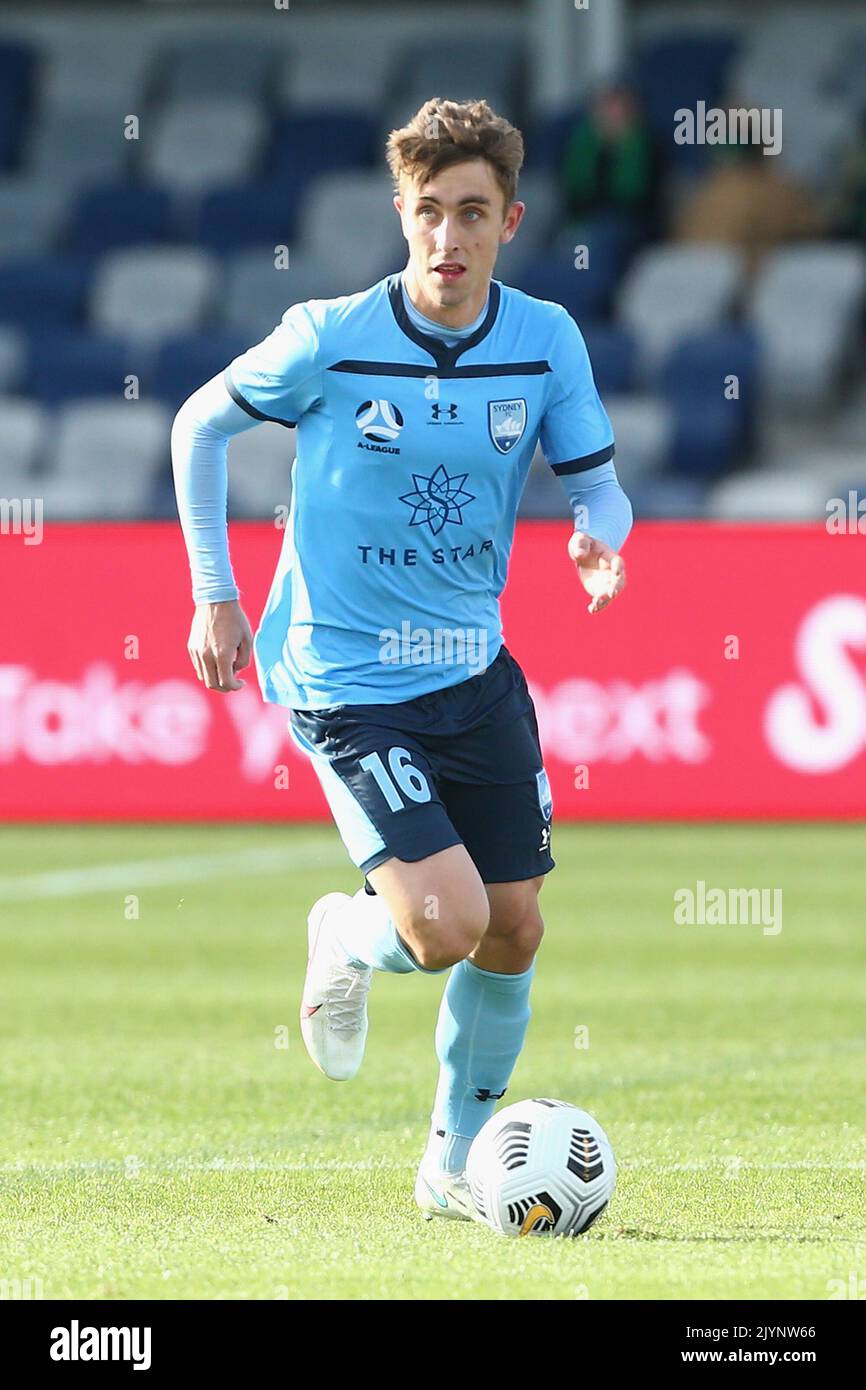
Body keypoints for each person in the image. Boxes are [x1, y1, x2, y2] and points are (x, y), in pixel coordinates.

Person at [171, 96, 632, 1223]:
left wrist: (597, 535)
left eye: (470, 213)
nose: (446, 238)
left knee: (514, 924)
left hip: (473, 672)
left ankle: (451, 1166)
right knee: (444, 927)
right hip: (347, 682)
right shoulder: (329, 335)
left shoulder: (544, 341)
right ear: (400, 212)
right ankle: (346, 928)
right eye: (427, 212)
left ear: (508, 219)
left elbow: (600, 484)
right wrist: (215, 593)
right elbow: (196, 426)